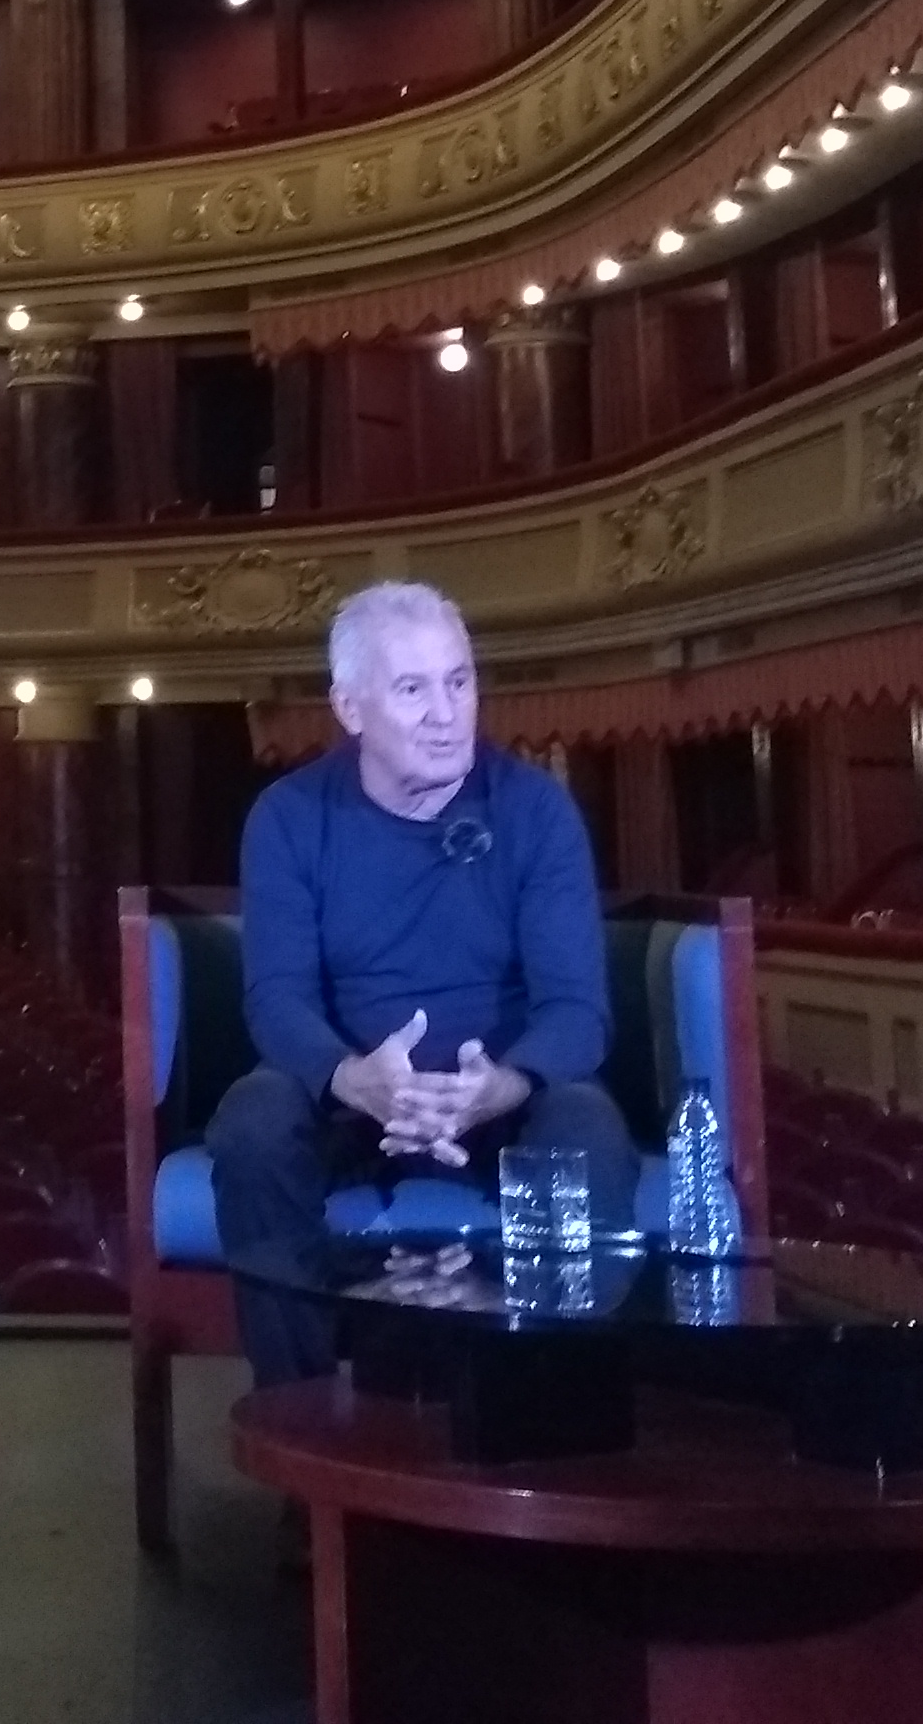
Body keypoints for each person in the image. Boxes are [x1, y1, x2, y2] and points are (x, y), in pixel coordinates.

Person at [212, 578, 639, 1387]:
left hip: (504, 1102)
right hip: (350, 1102)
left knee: (586, 1119)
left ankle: (550, 1414)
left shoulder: (536, 811)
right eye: (413, 690)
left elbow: (577, 1009)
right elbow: (276, 997)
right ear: (350, 708)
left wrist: (501, 1085)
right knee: (253, 1121)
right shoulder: (289, 817)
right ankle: (300, 1411)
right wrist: (352, 1078)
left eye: (459, 681)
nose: (447, 714)